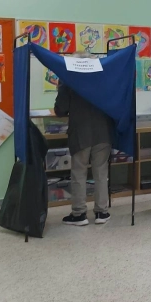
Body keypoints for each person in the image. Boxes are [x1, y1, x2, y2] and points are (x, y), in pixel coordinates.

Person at [54, 53, 115, 226]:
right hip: (103, 132)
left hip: (80, 133)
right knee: (101, 173)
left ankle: (79, 214)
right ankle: (102, 212)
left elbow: (60, 109)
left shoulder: (69, 79)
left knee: (79, 173)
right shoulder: (104, 79)